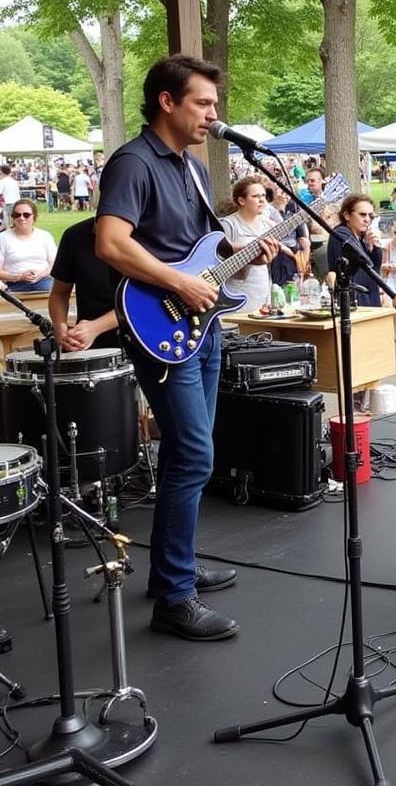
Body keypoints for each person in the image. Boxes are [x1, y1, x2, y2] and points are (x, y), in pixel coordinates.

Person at [96, 54, 276, 642]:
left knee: (187, 453)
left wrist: (250, 250)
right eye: (202, 102)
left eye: (214, 104)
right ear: (167, 102)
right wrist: (178, 283)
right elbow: (111, 244)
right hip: (160, 327)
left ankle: (173, 566)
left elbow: (202, 250)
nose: (212, 114)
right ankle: (175, 598)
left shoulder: (193, 169)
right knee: (195, 454)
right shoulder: (133, 162)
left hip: (202, 325)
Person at [48, 216, 119, 352]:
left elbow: (144, 302)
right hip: (86, 344)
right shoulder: (74, 236)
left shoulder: (146, 236)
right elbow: (59, 294)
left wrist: (96, 327)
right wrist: (60, 326)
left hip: (142, 342)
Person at [220, 176, 276, 312]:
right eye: (256, 196)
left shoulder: (266, 223)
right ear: (241, 200)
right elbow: (220, 260)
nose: (262, 199)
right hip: (236, 296)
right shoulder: (228, 224)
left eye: (263, 195)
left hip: (262, 294)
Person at [327, 193, 383, 306]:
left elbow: (374, 269)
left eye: (371, 216)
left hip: (369, 298)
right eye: (362, 215)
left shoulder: (361, 238)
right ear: (347, 215)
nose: (367, 220)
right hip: (355, 301)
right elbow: (360, 261)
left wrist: (373, 247)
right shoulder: (341, 234)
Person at [0, 199, 56, 292]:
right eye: (17, 215)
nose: (22, 218)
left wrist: (40, 275)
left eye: (26, 215)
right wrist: (19, 277)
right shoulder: (3, 238)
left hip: (44, 281)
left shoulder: (45, 236)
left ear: (34, 217)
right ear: (12, 218)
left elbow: (55, 265)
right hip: (13, 284)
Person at [266, 182, 310, 287]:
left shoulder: (293, 209)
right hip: (278, 252)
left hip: (293, 251)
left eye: (287, 193)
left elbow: (304, 237)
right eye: (281, 192)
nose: (285, 196)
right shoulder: (268, 211)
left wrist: (304, 255)